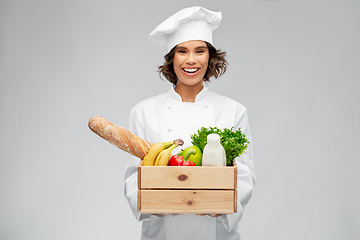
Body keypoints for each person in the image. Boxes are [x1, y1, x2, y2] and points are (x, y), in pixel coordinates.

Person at [124, 6, 255, 240]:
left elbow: (244, 175)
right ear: (172, 58)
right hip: (161, 232)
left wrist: (215, 206)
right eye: (182, 51)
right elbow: (134, 177)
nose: (191, 60)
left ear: (210, 56)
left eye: (200, 51)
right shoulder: (144, 111)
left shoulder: (233, 111)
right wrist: (158, 203)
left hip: (216, 233)